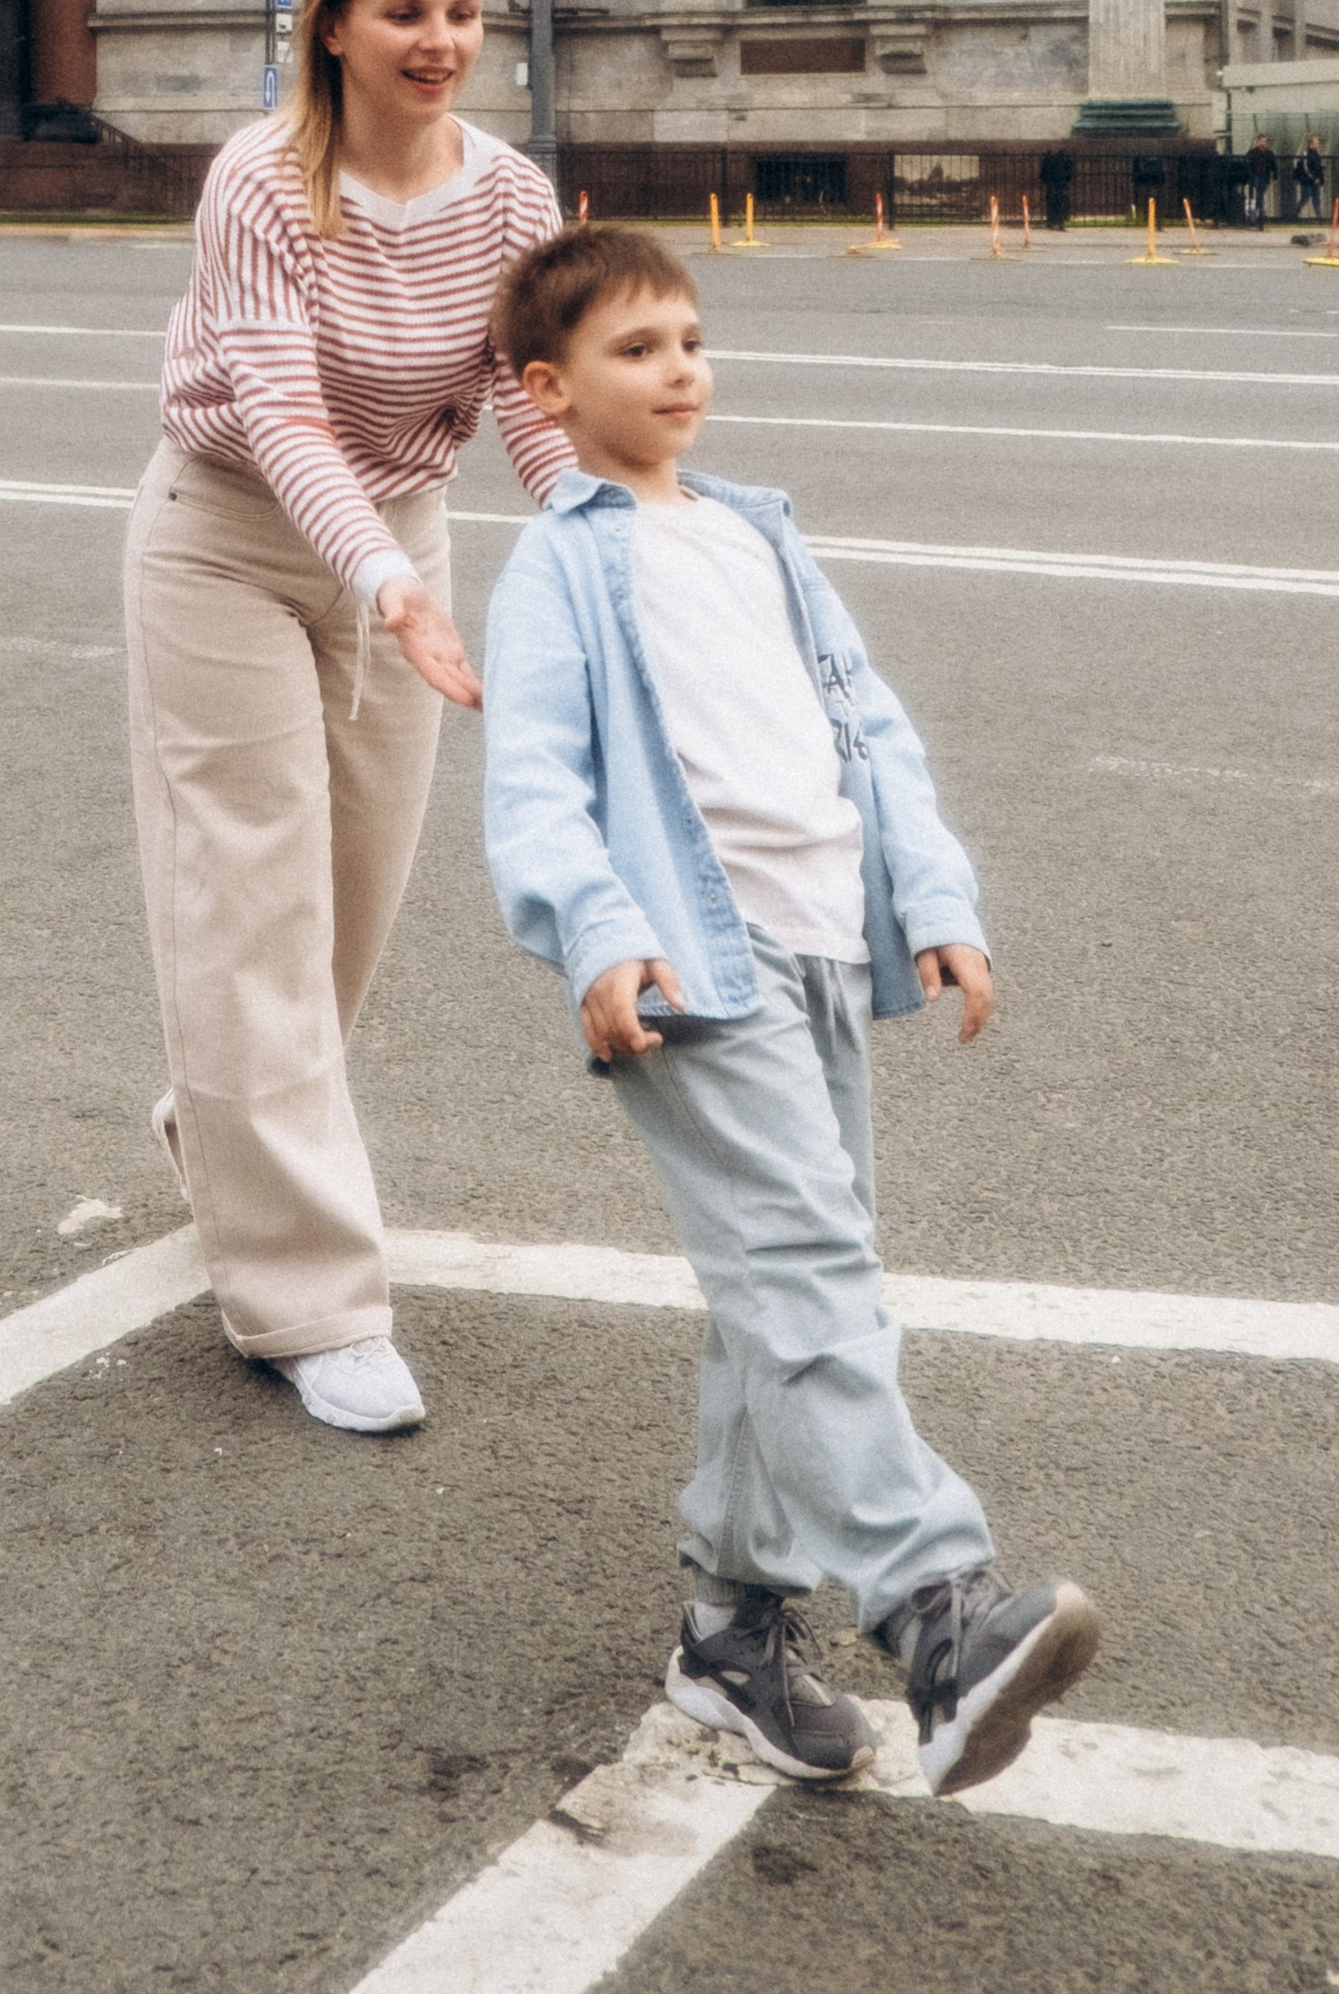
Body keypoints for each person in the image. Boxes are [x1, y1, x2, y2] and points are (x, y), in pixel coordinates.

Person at [480, 223, 1101, 1796]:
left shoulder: (760, 531)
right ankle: (936, 1610)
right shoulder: (561, 561)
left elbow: (870, 728)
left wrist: (937, 899)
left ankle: (729, 1632)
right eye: (637, 347)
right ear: (546, 391)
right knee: (812, 1274)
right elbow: (536, 780)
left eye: (690, 337)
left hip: (820, 947)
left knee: (793, 1284)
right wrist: (599, 935)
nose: (680, 367)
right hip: (691, 962)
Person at [126, 0, 565, 1434]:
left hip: (402, 546)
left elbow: (533, 392)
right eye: (406, 13)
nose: (440, 40)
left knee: (349, 910)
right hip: (232, 541)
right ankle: (311, 1303)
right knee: (255, 894)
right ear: (331, 26)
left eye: (461, 12)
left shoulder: (516, 197)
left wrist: (597, 537)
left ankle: (227, 1121)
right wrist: (379, 575)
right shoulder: (261, 181)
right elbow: (282, 411)